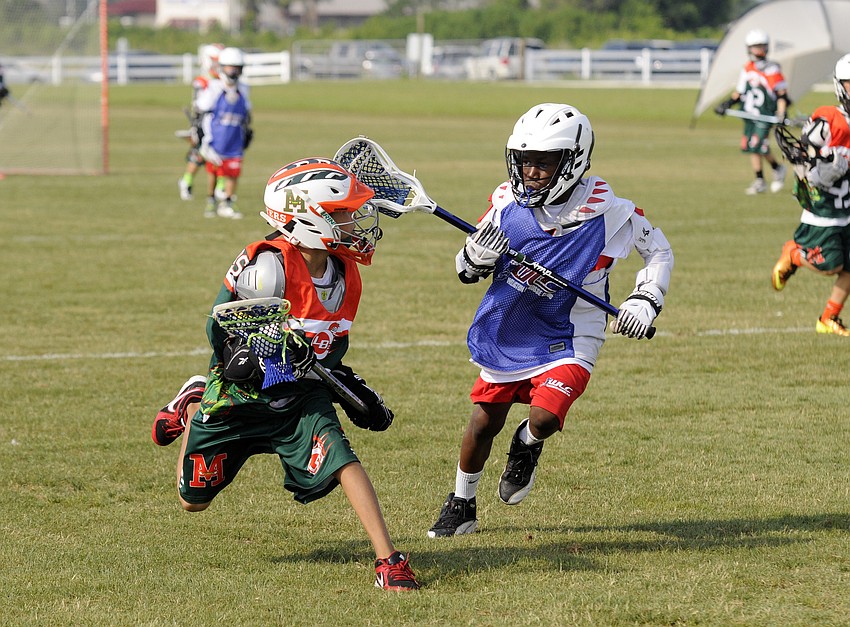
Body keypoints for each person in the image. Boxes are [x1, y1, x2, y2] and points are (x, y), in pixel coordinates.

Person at [152, 158, 419, 591]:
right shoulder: (267, 266)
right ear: (310, 218)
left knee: (341, 458)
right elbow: (224, 341)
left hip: (297, 398)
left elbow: (326, 352)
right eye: (343, 214)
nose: (354, 222)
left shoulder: (345, 273)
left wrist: (343, 388)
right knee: (191, 501)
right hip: (240, 394)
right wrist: (273, 356)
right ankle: (195, 400)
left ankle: (389, 560)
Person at [426, 103, 674, 538]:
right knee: (483, 422)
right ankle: (461, 502)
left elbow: (659, 252)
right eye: (525, 161)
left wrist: (645, 299)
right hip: (511, 328)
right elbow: (466, 267)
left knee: (543, 418)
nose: (531, 172)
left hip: (573, 334)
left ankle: (528, 444)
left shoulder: (613, 213)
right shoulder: (505, 203)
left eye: (543, 162)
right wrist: (473, 258)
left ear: (572, 161)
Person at [771, 54, 850, 336]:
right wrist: (821, 170)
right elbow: (800, 154)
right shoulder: (830, 119)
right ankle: (794, 254)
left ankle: (828, 318)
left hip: (848, 205)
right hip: (826, 209)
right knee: (831, 266)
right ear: (841, 87)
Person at [714, 29, 789, 195]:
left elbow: (782, 94)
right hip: (749, 113)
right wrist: (726, 104)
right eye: (756, 47)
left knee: (758, 145)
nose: (759, 50)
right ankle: (760, 180)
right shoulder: (747, 69)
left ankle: (777, 169)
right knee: (751, 146)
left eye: (762, 46)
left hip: (765, 114)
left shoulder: (772, 69)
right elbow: (739, 93)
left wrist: (781, 113)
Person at [195, 46, 253, 219]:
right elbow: (202, 110)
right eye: (230, 67)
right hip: (216, 138)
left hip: (235, 138)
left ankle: (227, 202)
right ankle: (211, 200)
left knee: (233, 173)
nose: (234, 71)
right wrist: (204, 140)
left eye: (237, 67)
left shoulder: (243, 88)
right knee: (214, 172)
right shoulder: (214, 87)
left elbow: (246, 112)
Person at [178, 43, 226, 202]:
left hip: (220, 125)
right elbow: (200, 104)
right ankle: (186, 181)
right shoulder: (203, 81)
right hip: (203, 124)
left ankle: (220, 186)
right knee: (199, 156)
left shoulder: (222, 80)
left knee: (221, 156)